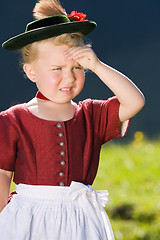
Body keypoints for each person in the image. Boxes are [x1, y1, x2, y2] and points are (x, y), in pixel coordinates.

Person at [0, 0, 145, 239]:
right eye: (56, 69)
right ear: (31, 71)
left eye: (77, 67)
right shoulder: (13, 120)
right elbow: (2, 175)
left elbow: (135, 101)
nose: (68, 78)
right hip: (30, 220)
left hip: (81, 221)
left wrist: (97, 66)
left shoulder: (90, 114)